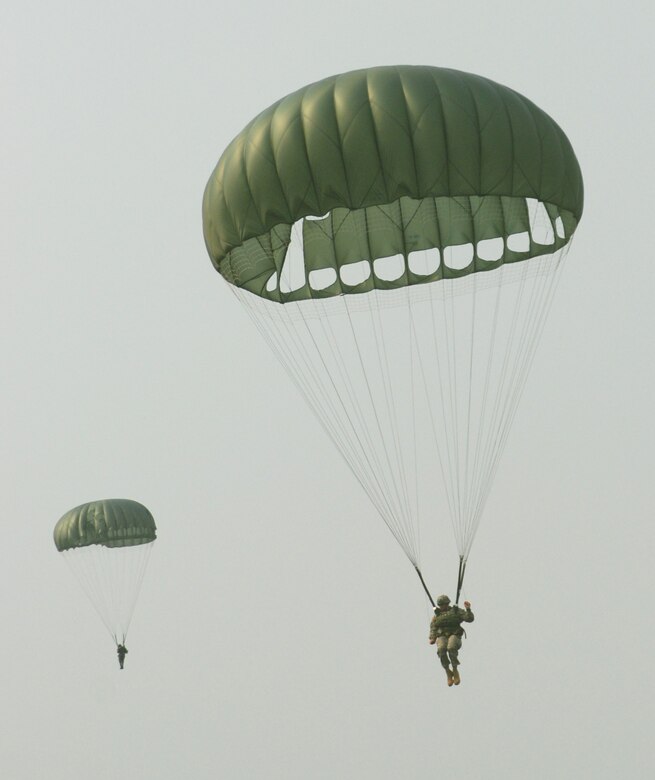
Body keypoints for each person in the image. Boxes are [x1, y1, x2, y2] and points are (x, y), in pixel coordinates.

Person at [429, 595, 474, 687]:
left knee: (451, 647)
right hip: (442, 635)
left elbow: (469, 619)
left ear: (447, 604)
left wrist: (468, 609)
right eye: (440, 605)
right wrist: (432, 637)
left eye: (444, 604)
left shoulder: (456, 611)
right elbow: (433, 627)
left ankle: (455, 669)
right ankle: (447, 671)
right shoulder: (437, 616)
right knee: (441, 649)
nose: (442, 607)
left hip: (455, 634)